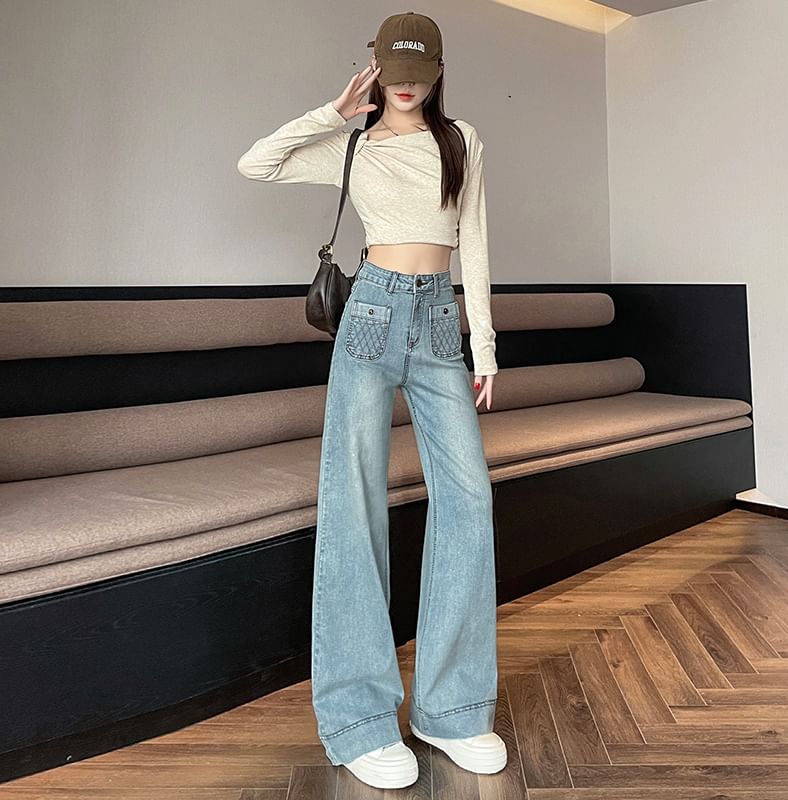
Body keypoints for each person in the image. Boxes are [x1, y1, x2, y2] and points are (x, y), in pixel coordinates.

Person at [237, 11, 506, 790]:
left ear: (438, 70)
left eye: (419, 71)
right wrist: (332, 113)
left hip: (438, 320)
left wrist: (484, 345)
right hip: (371, 314)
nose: (406, 84)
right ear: (377, 68)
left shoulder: (461, 141)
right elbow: (256, 163)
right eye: (394, 70)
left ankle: (451, 709)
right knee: (353, 504)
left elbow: (476, 240)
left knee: (469, 500)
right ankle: (358, 720)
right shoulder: (353, 146)